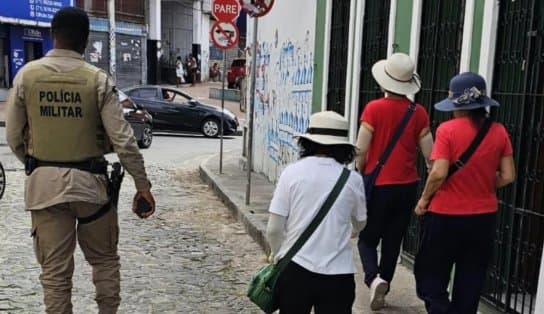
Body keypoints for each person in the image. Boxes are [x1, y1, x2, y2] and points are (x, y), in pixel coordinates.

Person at [5, 7, 156, 314]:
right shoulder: (97, 80)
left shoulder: (26, 76)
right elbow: (124, 140)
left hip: (45, 188)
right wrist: (142, 186)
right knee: (104, 260)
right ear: (86, 41)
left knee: (55, 275)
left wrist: (37, 164)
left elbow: (13, 136)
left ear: (52, 36)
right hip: (92, 187)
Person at [413, 72, 515, 314]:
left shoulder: (447, 130)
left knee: (431, 277)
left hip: (445, 216)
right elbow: (509, 175)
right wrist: (482, 185)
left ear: (459, 105)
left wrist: (424, 200)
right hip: (483, 218)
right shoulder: (499, 131)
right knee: (470, 279)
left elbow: (438, 173)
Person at [266, 111, 367, 313]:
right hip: (338, 273)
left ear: (308, 142)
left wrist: (276, 253)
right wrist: (352, 228)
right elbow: (361, 222)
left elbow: (274, 228)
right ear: (344, 148)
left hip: (295, 268)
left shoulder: (291, 173)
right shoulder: (353, 180)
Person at [355, 52, 433, 310]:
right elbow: (430, 155)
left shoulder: (373, 109)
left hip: (378, 185)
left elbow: (361, 150)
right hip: (407, 186)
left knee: (367, 238)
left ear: (384, 81)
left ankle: (372, 278)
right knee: (393, 240)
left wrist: (361, 170)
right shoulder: (419, 113)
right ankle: (384, 283)